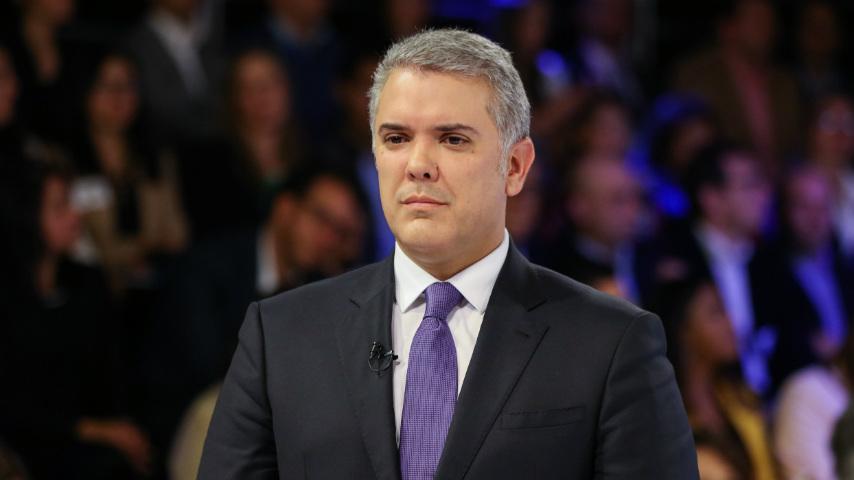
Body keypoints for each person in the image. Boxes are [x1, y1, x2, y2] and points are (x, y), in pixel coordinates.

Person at [198, 29, 697, 479]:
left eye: (452, 139)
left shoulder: (612, 344)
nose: (418, 164)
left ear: (515, 167)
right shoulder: (280, 336)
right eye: (396, 138)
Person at [0, 163, 151, 479]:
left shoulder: (88, 283)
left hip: (94, 442)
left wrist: (121, 428)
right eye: (60, 207)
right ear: (25, 215)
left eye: (71, 202)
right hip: (31, 444)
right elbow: (13, 405)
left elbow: (112, 373)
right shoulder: (10, 299)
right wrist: (94, 430)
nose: (75, 215)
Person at [655, 278, 777, 480]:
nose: (730, 322)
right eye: (715, 313)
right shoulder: (665, 422)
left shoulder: (742, 398)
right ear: (684, 331)